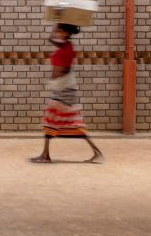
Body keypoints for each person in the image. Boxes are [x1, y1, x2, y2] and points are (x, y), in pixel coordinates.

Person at [31, 23, 104, 163]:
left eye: (61, 31)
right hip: (61, 88)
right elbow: (51, 39)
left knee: (52, 119)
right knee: (68, 123)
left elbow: (65, 69)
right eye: (59, 31)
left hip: (65, 90)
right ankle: (96, 152)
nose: (59, 33)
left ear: (67, 33)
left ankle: (45, 156)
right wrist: (56, 23)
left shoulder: (68, 47)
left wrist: (58, 79)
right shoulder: (64, 44)